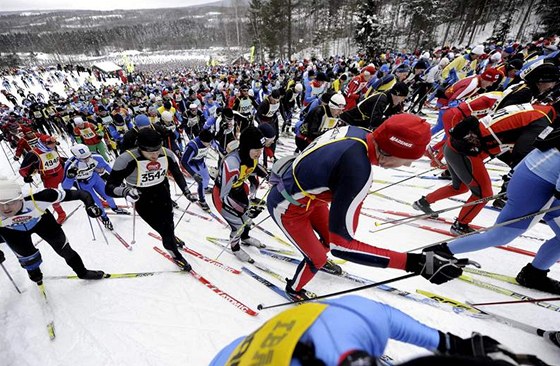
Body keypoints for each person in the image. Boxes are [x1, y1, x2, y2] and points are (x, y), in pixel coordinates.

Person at [267, 114, 469, 300]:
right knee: (318, 258)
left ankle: (313, 255)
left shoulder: (359, 133)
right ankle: (294, 289)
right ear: (390, 152)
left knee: (328, 240)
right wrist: (415, 263)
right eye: (407, 161)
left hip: (305, 196)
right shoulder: (356, 169)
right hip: (287, 206)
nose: (406, 166)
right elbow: (343, 247)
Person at [424, 123, 560, 294]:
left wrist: (514, 173)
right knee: (500, 235)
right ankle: (439, 253)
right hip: (537, 184)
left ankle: (535, 274)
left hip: (536, 176)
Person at [210, 295, 526, 366]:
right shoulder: (360, 320)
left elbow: (389, 320)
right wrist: (452, 344)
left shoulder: (359, 322)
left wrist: (449, 343)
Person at [413, 103, 556, 235]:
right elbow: (522, 151)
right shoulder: (542, 121)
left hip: (457, 145)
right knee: (484, 194)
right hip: (466, 151)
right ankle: (460, 225)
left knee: (460, 187)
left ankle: (424, 202)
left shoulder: (536, 109)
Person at [105, 128, 196, 270]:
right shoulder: (126, 159)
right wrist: (125, 191)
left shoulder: (167, 154)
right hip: (142, 197)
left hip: (162, 191)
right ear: (140, 147)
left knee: (169, 222)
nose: (154, 155)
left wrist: (186, 191)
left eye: (157, 150)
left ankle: (170, 237)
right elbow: (109, 188)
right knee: (162, 228)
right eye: (150, 152)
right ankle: (175, 253)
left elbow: (177, 173)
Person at [0, 179, 105, 283]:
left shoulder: (38, 197)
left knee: (64, 249)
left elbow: (82, 194)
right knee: (29, 260)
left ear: (20, 197)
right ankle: (36, 277)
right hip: (12, 232)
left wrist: (90, 205)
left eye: (11, 202)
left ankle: (82, 272)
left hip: (43, 223)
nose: (5, 208)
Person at [212, 126, 269, 263]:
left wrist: (269, 176)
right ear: (246, 147)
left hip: (239, 190)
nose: (259, 153)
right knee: (238, 225)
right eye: (256, 150)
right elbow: (223, 196)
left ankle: (245, 238)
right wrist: (243, 210)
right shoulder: (231, 164)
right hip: (223, 196)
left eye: (261, 149)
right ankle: (235, 248)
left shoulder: (250, 155)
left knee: (247, 221)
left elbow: (255, 167)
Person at [62, 144, 129, 231]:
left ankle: (115, 208)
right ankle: (105, 218)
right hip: (83, 185)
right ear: (77, 157)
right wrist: (70, 177)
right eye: (84, 158)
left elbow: (107, 167)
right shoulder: (70, 165)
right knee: (97, 204)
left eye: (88, 156)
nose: (87, 159)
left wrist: (117, 179)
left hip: (95, 178)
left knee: (108, 195)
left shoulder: (96, 156)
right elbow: (66, 187)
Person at [19, 135, 68, 224]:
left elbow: (57, 158)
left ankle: (92, 199)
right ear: (44, 144)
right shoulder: (33, 154)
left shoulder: (52, 147)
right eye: (51, 143)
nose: (54, 145)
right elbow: (23, 169)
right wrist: (26, 176)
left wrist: (63, 163)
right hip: (49, 178)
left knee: (78, 183)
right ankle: (61, 214)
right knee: (53, 196)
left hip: (61, 171)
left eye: (54, 142)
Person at [339, 82, 409, 129]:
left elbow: (394, 111)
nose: (402, 100)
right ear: (396, 94)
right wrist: (390, 118)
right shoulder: (382, 99)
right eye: (402, 98)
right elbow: (374, 122)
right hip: (349, 121)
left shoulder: (390, 98)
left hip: (359, 123)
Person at [180, 129, 215, 211]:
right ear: (202, 140)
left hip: (201, 162)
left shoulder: (208, 140)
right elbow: (184, 161)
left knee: (207, 178)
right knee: (201, 181)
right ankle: (202, 200)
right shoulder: (192, 146)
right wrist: (193, 174)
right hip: (192, 164)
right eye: (208, 143)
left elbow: (216, 144)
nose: (210, 144)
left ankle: (205, 189)